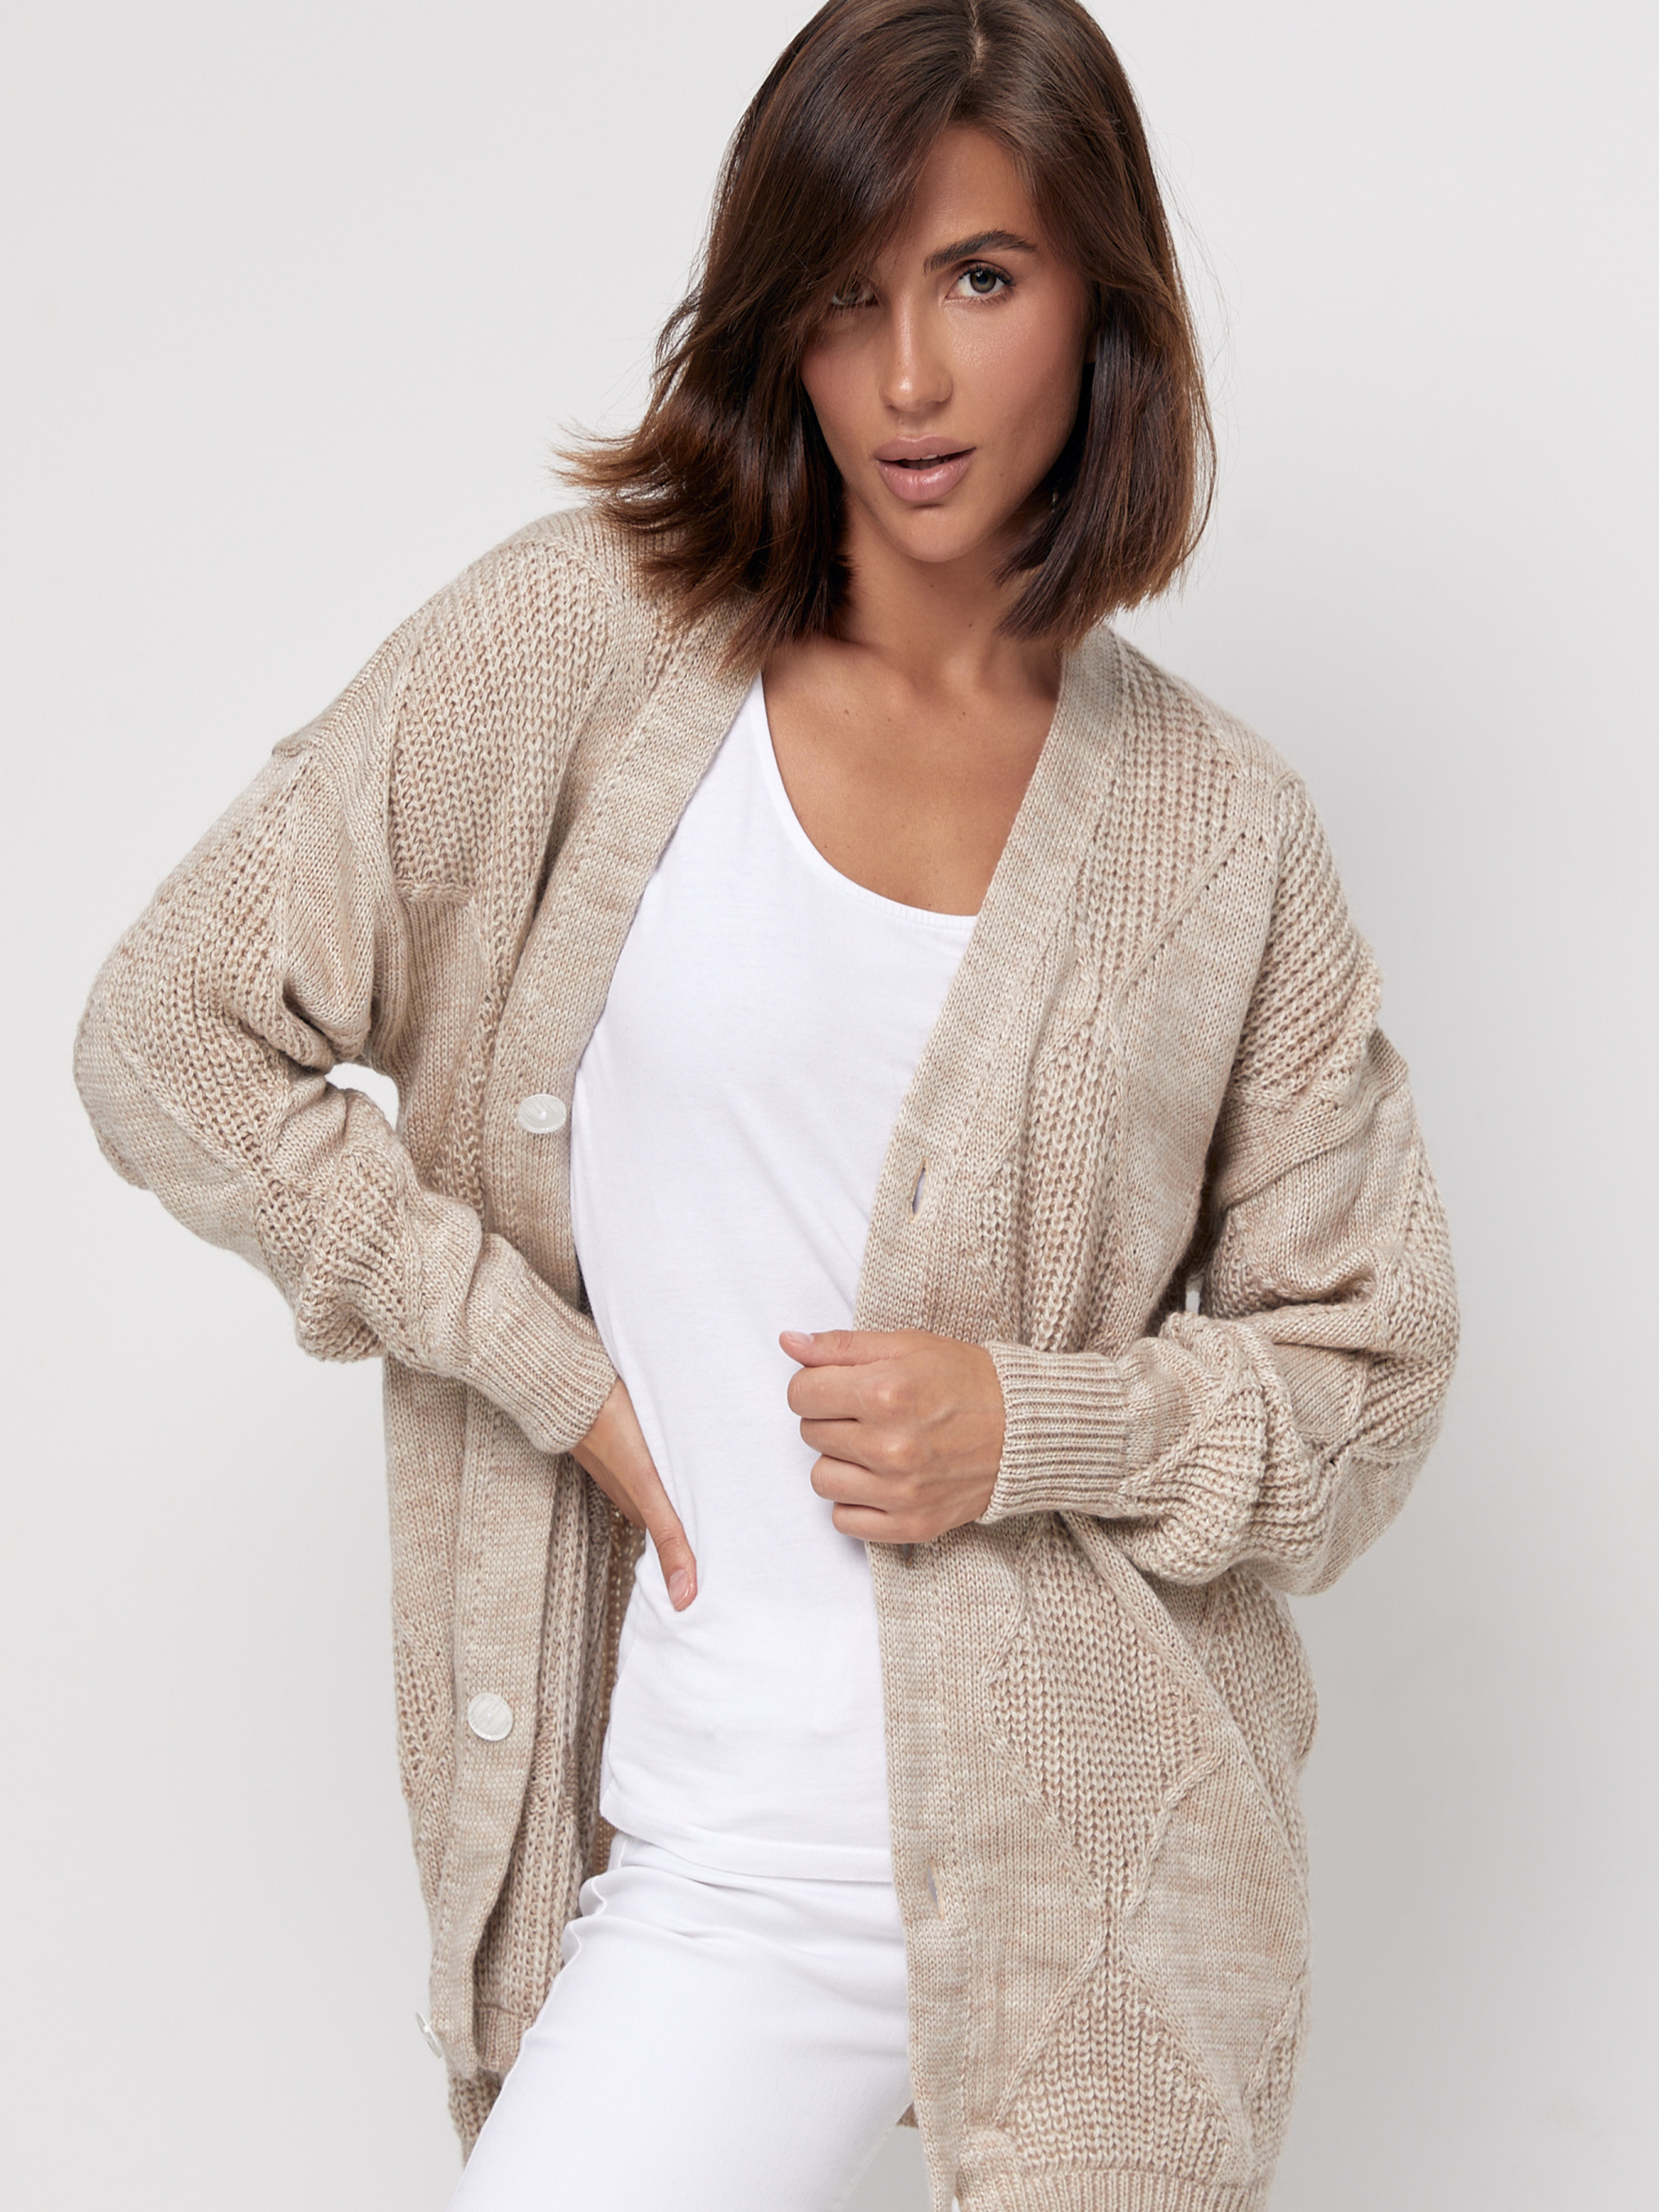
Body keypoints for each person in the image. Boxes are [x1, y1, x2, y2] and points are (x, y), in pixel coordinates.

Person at [74, 2, 1458, 2206]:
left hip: (1099, 1890)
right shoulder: (583, 651)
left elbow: (1367, 1377)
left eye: (981, 278)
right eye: (843, 293)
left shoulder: (1218, 830)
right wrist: (538, 1364)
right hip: (727, 1865)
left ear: (1099, 295)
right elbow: (168, 1029)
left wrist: (1032, 1426)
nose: (907, 376)